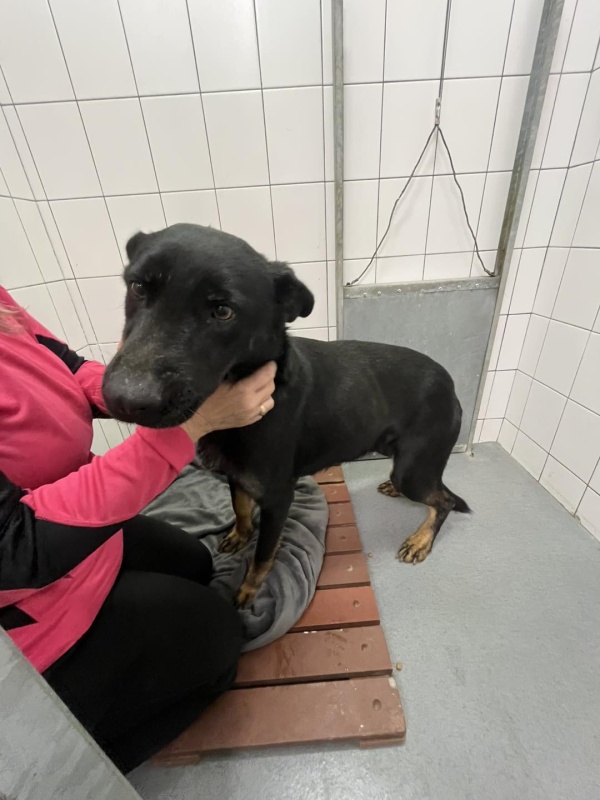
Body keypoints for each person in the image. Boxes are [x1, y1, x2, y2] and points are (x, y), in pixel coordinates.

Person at [0, 285, 276, 773]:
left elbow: (62, 363)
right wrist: (187, 429)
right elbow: (16, 548)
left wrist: (152, 392)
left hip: (75, 530)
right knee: (219, 639)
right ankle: (67, 765)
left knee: (198, 563)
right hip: (26, 605)